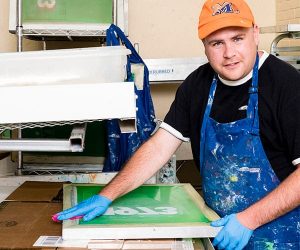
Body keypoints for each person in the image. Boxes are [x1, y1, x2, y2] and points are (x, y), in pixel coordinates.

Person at [55, 0, 300, 249]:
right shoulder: (197, 85)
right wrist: (107, 195)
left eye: (237, 38)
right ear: (204, 46)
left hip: (281, 236)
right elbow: (159, 147)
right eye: (217, 43)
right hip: (221, 231)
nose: (229, 53)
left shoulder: (288, 86)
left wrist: (249, 220)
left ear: (255, 33)